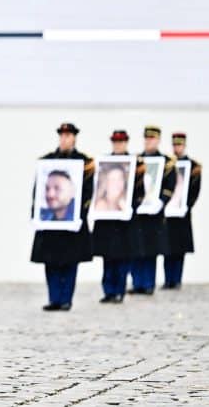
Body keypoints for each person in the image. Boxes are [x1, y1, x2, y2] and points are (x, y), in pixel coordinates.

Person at [30, 123, 94, 311]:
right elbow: (39, 190)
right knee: (51, 262)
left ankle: (66, 299)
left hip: (72, 221)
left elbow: (89, 191)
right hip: (50, 223)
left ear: (74, 138)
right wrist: (35, 212)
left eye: (68, 135)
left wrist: (80, 214)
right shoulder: (48, 161)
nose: (65, 139)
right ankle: (54, 298)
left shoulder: (85, 162)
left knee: (69, 262)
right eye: (62, 135)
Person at [92, 130, 145, 303]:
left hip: (124, 222)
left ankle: (119, 291)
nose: (118, 145)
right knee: (108, 258)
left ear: (126, 143)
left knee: (122, 258)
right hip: (107, 221)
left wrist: (132, 207)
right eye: (115, 142)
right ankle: (108, 291)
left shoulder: (136, 164)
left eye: (121, 142)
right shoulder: (104, 163)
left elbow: (140, 192)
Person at [129, 126, 176, 295]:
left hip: (154, 215)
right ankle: (137, 283)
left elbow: (170, 186)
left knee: (150, 250)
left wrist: (161, 202)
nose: (149, 141)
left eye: (152, 139)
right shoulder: (136, 160)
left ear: (158, 140)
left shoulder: (167, 162)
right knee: (136, 248)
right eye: (147, 138)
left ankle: (148, 284)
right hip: (138, 212)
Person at [164, 132, 202, 289]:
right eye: (175, 145)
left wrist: (187, 205)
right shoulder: (168, 164)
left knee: (179, 248)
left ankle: (177, 279)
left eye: (179, 145)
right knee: (167, 247)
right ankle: (168, 280)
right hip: (167, 212)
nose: (176, 148)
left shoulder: (193, 166)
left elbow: (195, 189)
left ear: (184, 145)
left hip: (182, 213)